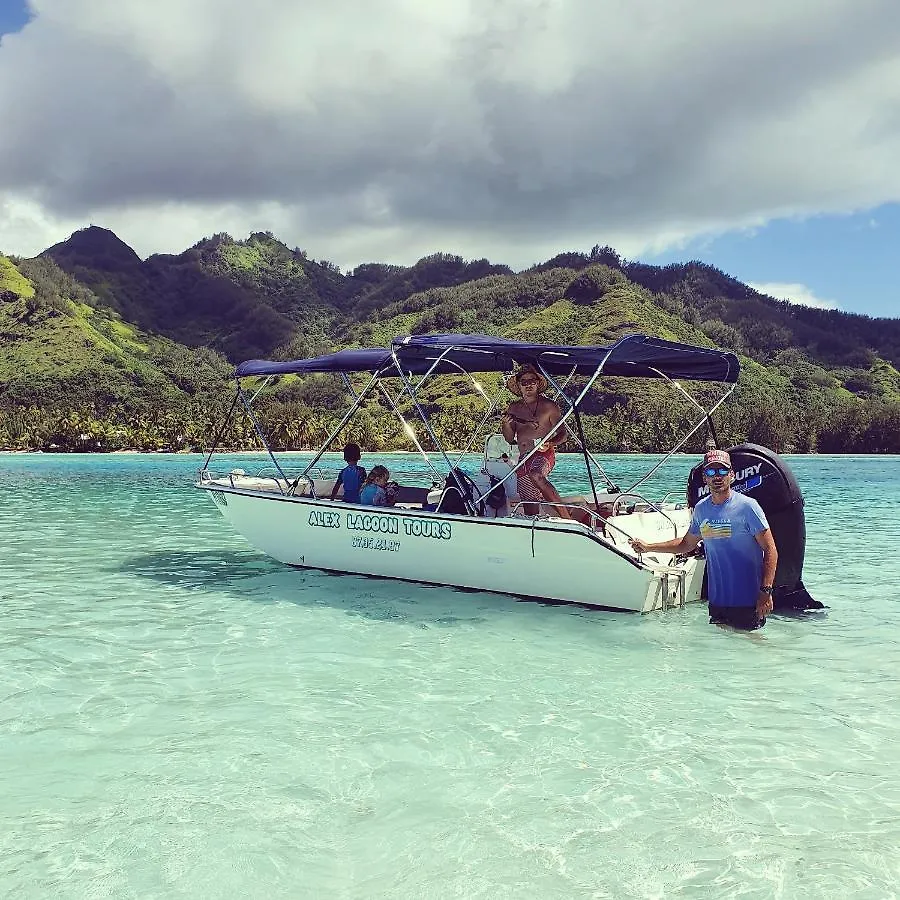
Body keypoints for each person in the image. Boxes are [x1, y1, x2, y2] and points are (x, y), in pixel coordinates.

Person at [629, 449, 778, 630]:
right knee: (724, 651)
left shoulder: (748, 507)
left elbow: (771, 549)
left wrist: (766, 591)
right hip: (717, 601)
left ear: (732, 475)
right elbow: (686, 544)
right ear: (705, 478)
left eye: (723, 471)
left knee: (752, 647)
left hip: (748, 600)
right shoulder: (701, 509)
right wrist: (648, 547)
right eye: (711, 472)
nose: (717, 476)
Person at [500, 365, 572, 519]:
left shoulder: (549, 406)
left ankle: (569, 519)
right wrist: (506, 424)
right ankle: (535, 527)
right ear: (519, 385)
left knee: (536, 475)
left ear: (538, 383)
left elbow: (563, 434)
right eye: (523, 382)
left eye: (532, 381)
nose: (528, 385)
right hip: (523, 457)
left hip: (543, 453)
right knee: (529, 504)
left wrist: (550, 443)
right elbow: (509, 438)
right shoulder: (514, 408)